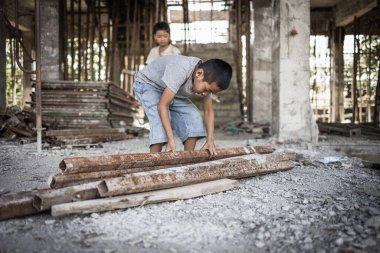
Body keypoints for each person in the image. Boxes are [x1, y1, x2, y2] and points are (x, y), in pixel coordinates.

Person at [133, 55, 232, 156]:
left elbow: (208, 111)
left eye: (210, 92)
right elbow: (162, 106)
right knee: (160, 124)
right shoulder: (181, 69)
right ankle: (153, 165)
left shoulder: (208, 79)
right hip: (148, 84)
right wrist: (171, 140)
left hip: (170, 90)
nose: (206, 94)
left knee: (194, 118)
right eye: (206, 90)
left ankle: (186, 161)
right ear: (199, 73)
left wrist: (210, 139)